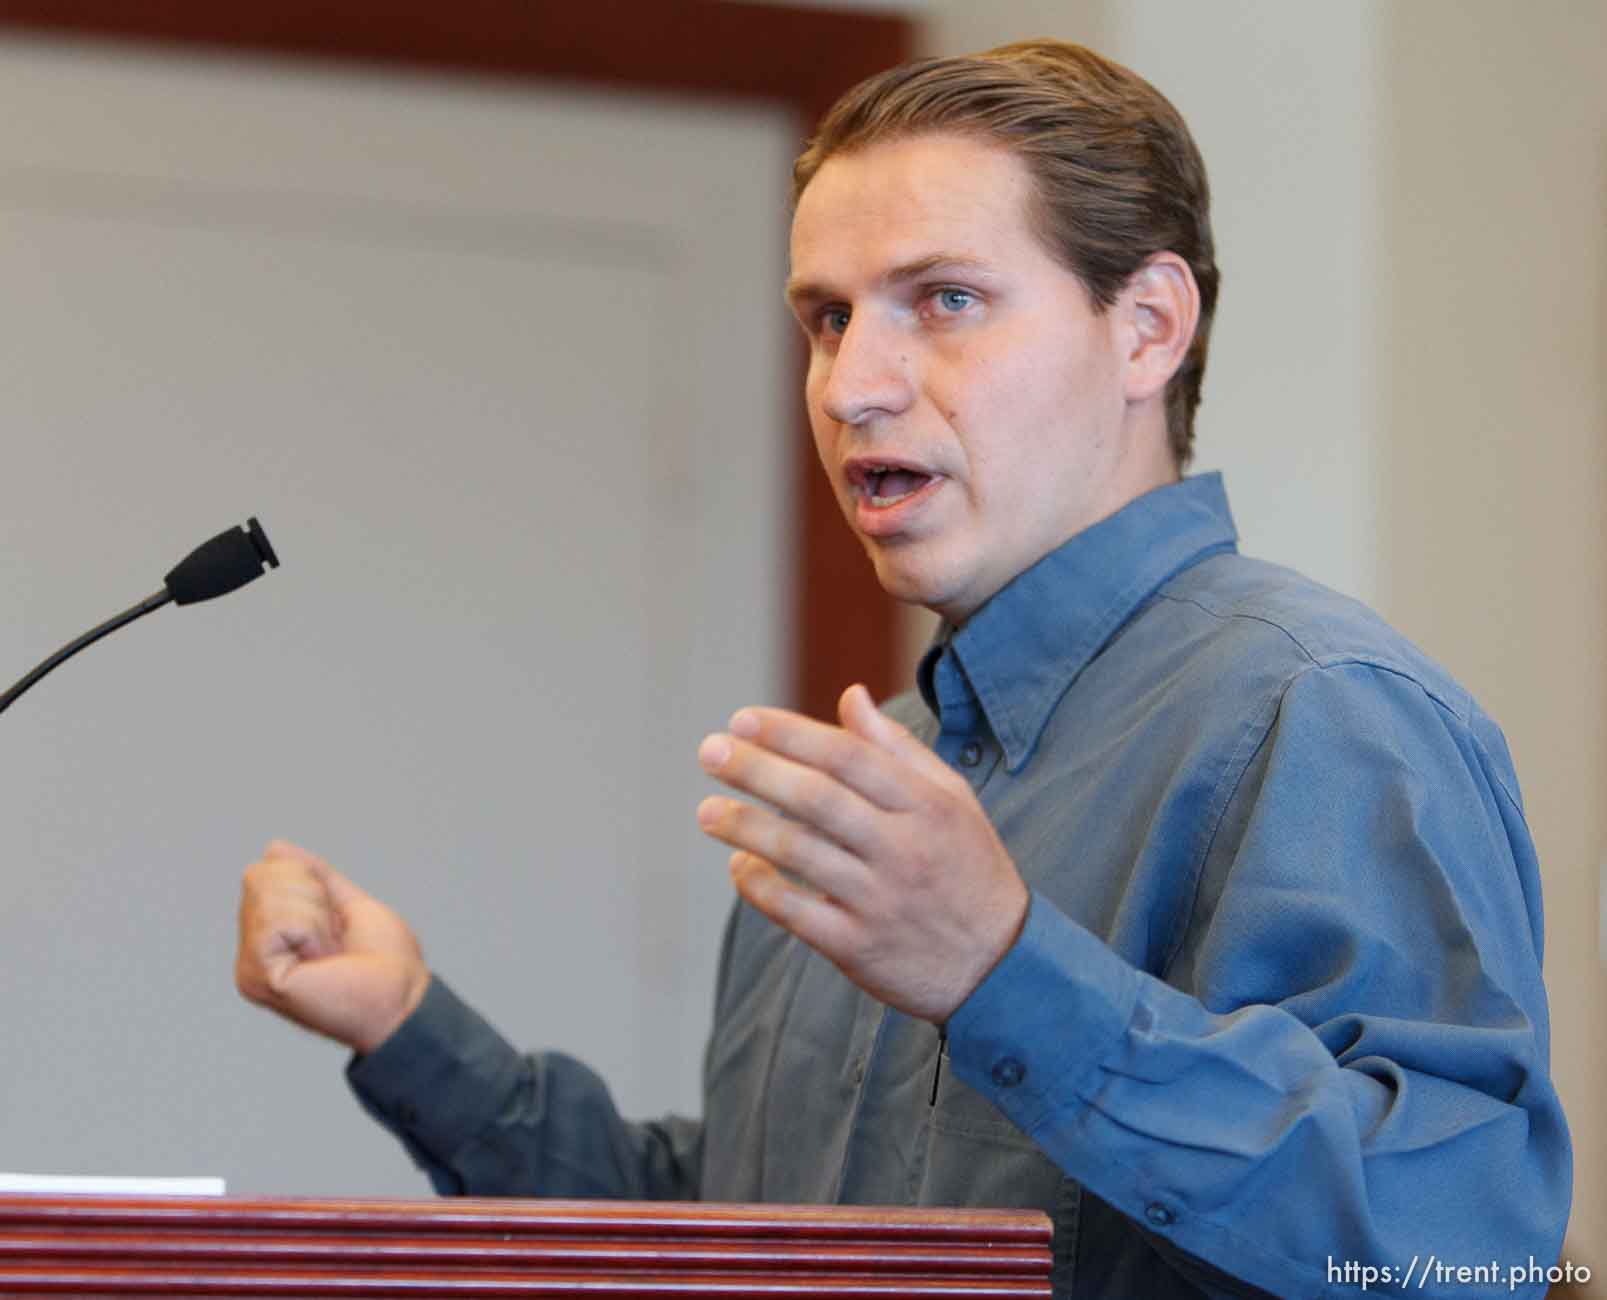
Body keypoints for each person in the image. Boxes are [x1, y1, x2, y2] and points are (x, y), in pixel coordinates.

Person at [236, 39, 1571, 1299]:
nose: (850, 386)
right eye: (825, 318)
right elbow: (754, 1239)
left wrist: (1006, 972)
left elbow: (1459, 1247)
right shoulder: (886, 795)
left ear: (1149, 328)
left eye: (945, 301)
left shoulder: (1319, 708)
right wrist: (411, 1026)